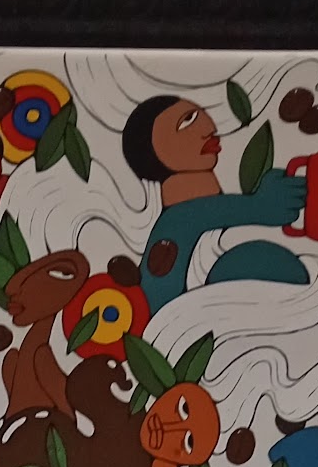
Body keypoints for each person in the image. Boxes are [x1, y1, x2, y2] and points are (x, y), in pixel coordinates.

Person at [121, 94, 307, 314]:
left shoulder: (192, 216)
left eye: (199, 114)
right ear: (153, 151)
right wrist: (264, 202)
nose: (210, 127)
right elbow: (268, 210)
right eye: (187, 121)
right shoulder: (178, 219)